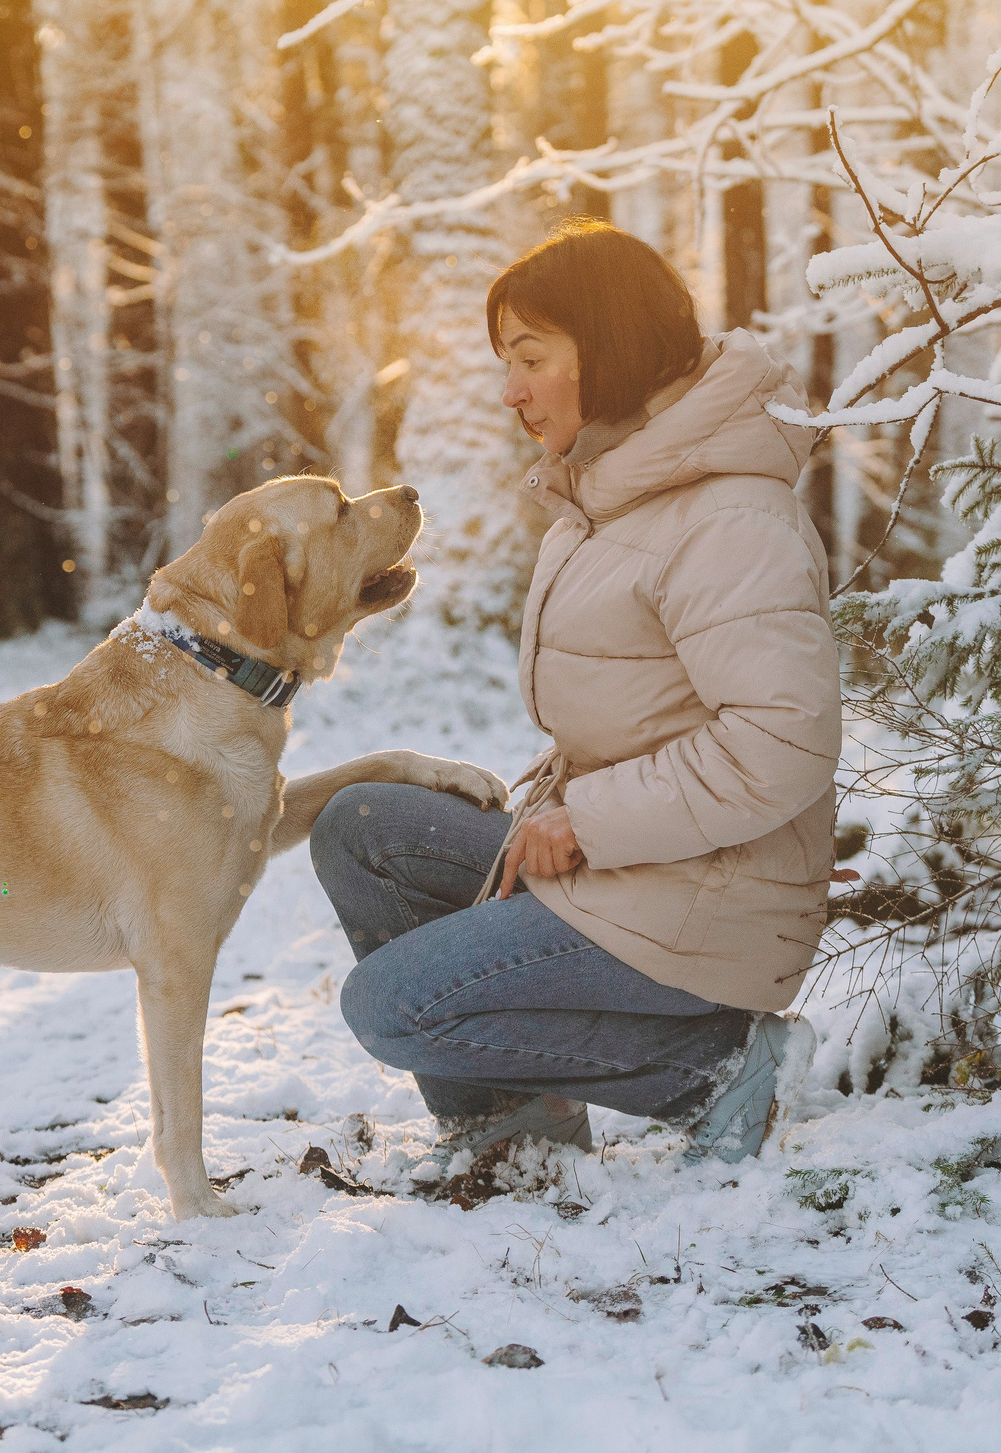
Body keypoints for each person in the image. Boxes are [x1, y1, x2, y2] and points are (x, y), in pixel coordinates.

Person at [311, 220, 839, 1181]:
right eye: (504, 361)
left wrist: (585, 820)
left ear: (614, 344)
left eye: (531, 358)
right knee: (363, 827)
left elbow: (782, 742)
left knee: (393, 1007)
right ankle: (517, 1132)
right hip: (639, 862)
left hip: (715, 895)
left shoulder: (729, 517)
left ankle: (717, 1071)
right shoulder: (608, 496)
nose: (510, 390)